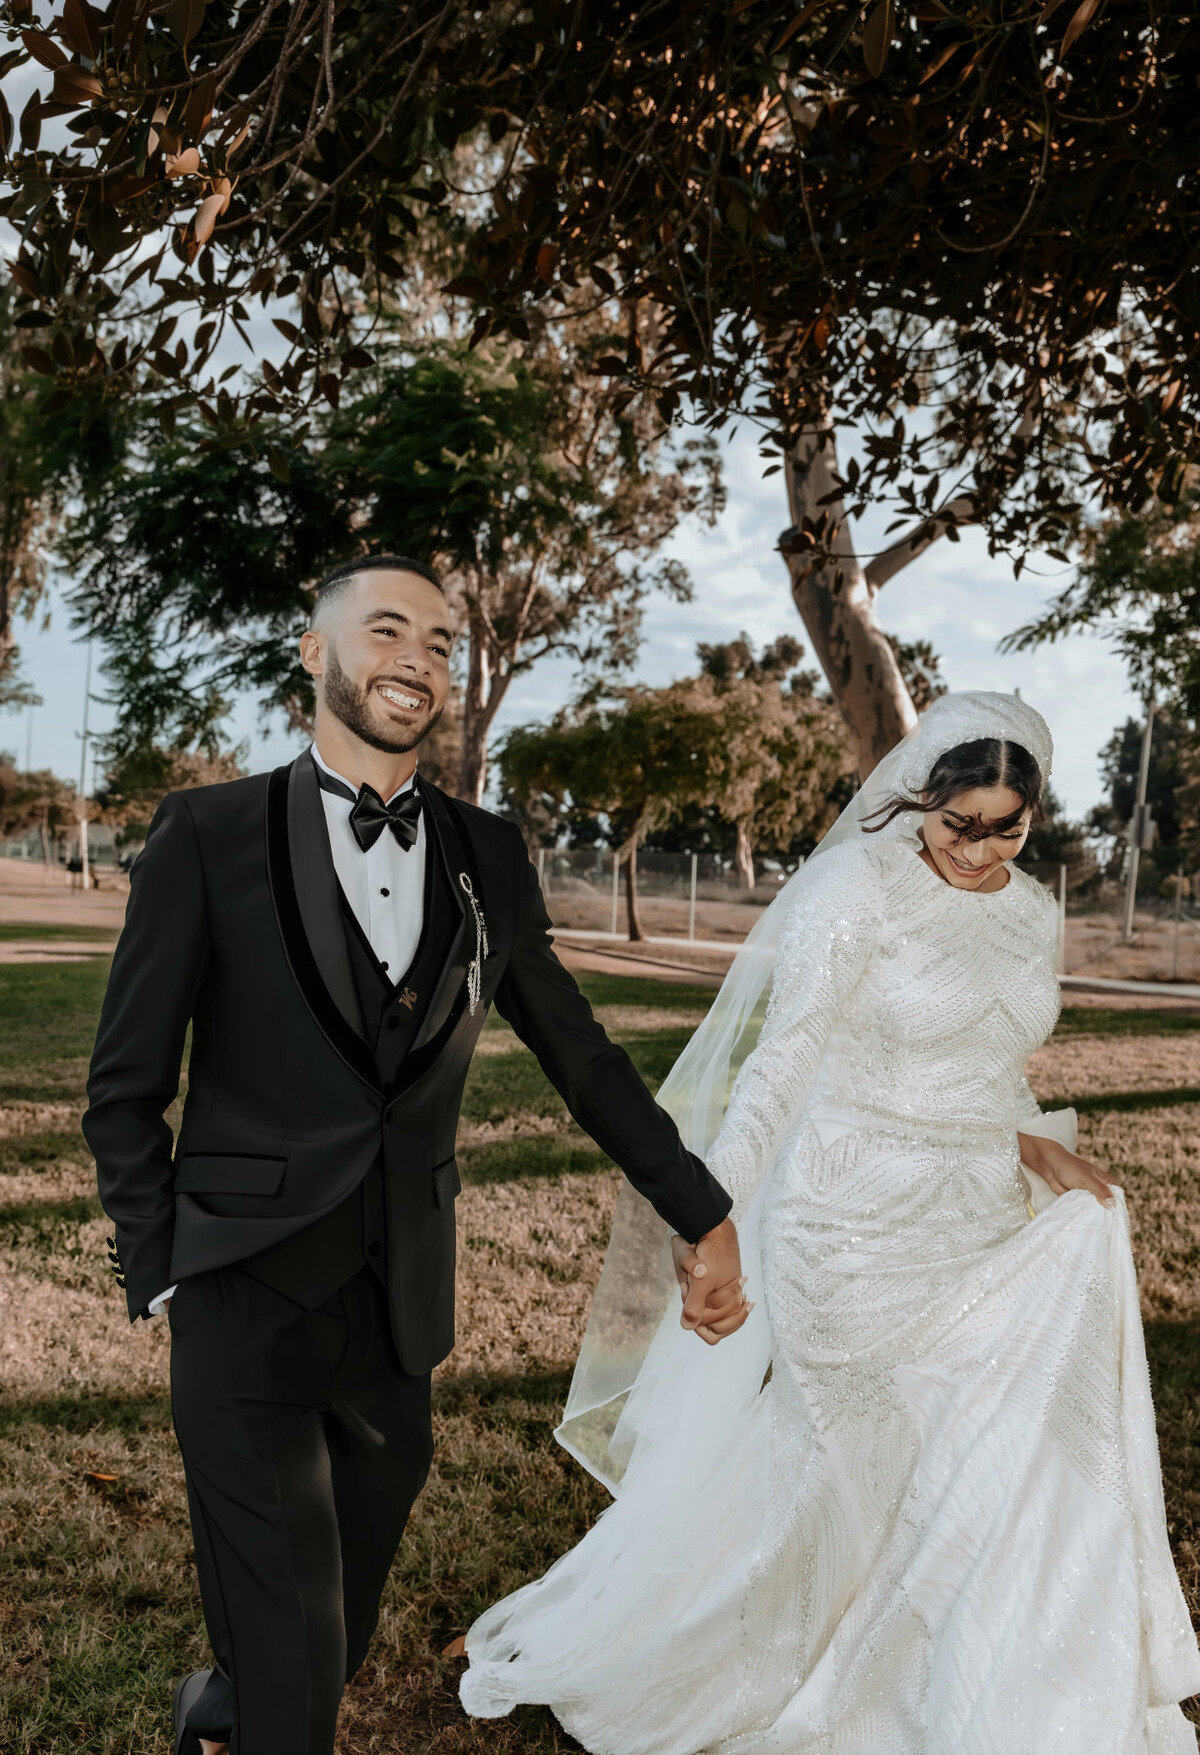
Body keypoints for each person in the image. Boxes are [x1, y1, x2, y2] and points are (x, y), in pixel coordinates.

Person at [83, 554, 749, 1755]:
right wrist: (162, 1263)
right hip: (239, 1295)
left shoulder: (487, 853)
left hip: (399, 1314)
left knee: (330, 1622)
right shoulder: (207, 831)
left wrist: (699, 1207)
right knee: (296, 1648)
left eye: (442, 642)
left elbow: (582, 1056)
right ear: (314, 651)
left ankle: (215, 1714)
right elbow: (124, 1088)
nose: (419, 660)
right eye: (387, 630)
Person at [459, 691, 1200, 1755]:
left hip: (978, 1208)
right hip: (848, 1222)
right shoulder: (856, 890)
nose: (984, 850)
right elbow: (783, 1063)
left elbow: (992, 1061)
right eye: (962, 825)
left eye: (1011, 827)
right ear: (919, 801)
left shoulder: (1035, 912)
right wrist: (704, 1211)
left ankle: (971, 1680)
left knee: (982, 1459)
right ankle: (778, 1661)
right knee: (853, 1463)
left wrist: (1027, 1136)